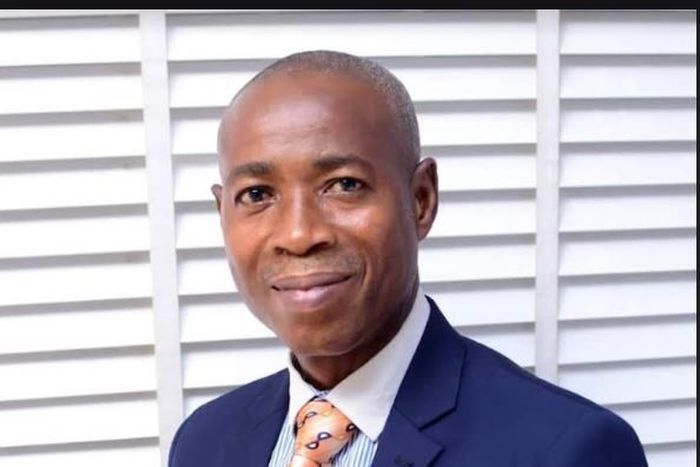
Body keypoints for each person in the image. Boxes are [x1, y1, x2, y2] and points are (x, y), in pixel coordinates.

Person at [169, 50, 648, 467]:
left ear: (420, 199)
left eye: (344, 185)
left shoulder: (566, 450)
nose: (298, 234)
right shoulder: (203, 443)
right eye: (257, 194)